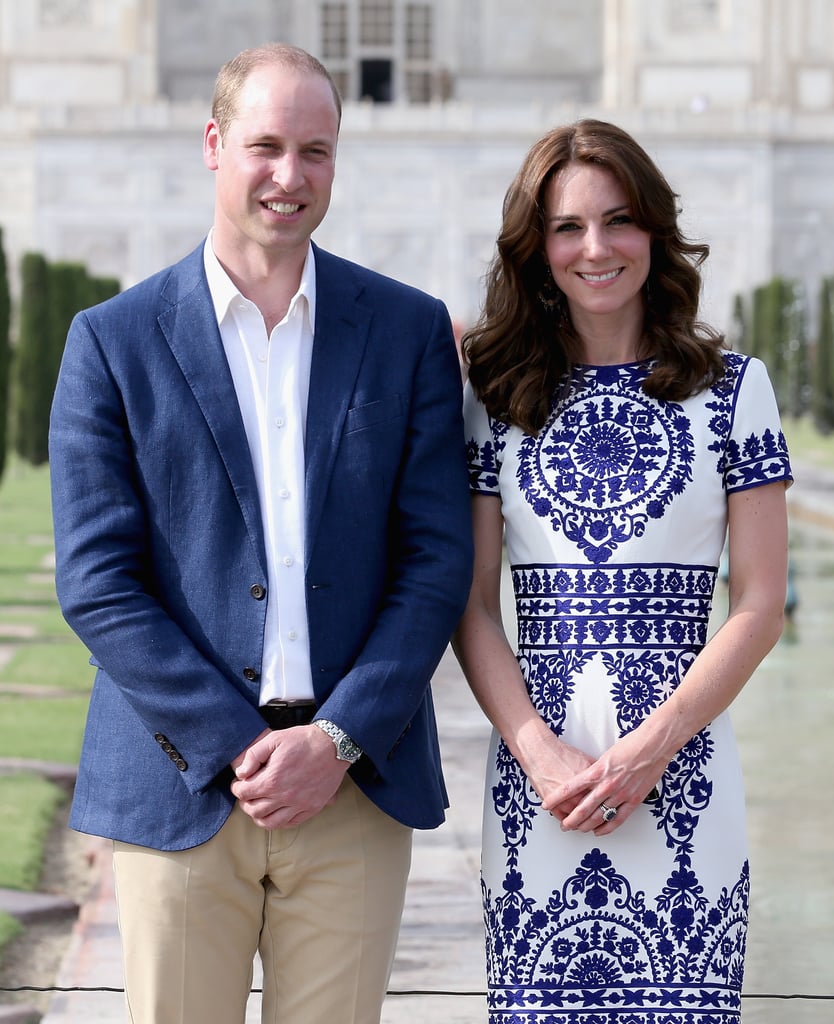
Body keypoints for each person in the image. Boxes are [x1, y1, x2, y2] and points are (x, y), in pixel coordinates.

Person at [49, 43, 473, 1024]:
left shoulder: (407, 331)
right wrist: (242, 744)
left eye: (315, 150)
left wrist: (335, 738)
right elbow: (99, 579)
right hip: (180, 782)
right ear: (213, 144)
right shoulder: (112, 342)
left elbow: (434, 560)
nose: (291, 176)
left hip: (354, 786)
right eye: (267, 146)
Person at [452, 119, 791, 1023]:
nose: (595, 248)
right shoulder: (498, 395)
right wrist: (536, 749)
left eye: (618, 221)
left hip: (683, 785)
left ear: (655, 232)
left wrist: (650, 751)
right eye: (567, 227)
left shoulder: (733, 390)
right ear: (537, 249)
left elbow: (760, 606)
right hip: (541, 788)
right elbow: (473, 608)